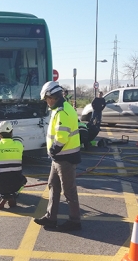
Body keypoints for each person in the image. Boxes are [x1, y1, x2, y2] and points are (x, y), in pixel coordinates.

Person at [34, 81, 82, 232]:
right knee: (53, 185)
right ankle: (51, 217)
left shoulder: (63, 111)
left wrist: (53, 150)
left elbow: (62, 137)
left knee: (69, 190)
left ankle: (75, 221)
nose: (46, 102)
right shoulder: (59, 109)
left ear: (53, 97)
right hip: (59, 157)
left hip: (65, 158)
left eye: (47, 99)